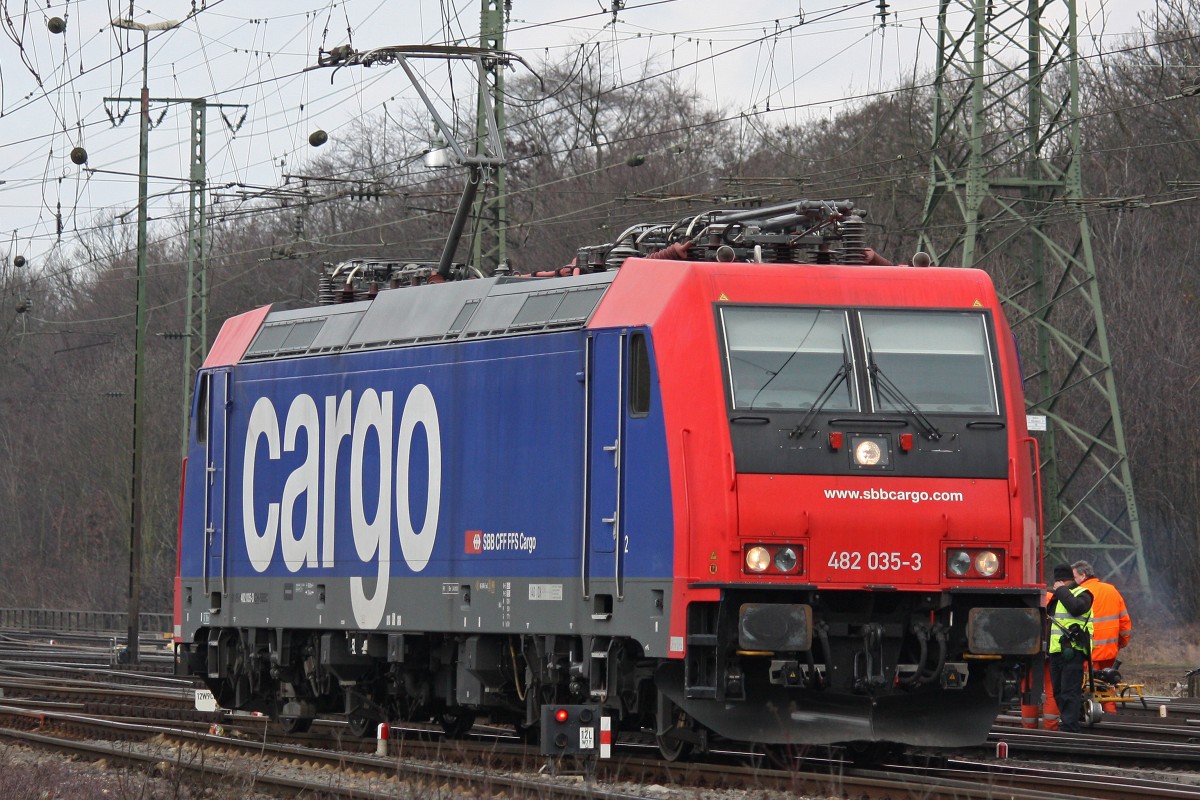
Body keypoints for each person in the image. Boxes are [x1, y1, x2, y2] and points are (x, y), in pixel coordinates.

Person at [1073, 560, 1132, 713]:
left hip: (1088, 652)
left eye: (1074, 577)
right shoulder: (1111, 590)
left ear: (1083, 575)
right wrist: (1121, 643)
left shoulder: (1079, 593)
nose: (1073, 581)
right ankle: (1111, 716)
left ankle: (1086, 714)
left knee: (1086, 686)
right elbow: (1124, 621)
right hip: (1110, 649)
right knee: (1107, 683)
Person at [1047, 563, 1093, 733]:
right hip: (1056, 652)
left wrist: (1061, 591)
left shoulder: (1084, 594)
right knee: (1058, 692)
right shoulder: (1058, 596)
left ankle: (1069, 728)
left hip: (1073, 652)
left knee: (1069, 692)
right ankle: (1069, 722)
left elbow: (1075, 608)